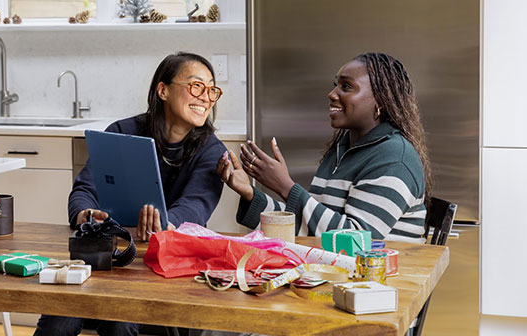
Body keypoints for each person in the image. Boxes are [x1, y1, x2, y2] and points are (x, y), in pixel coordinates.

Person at [35, 52, 227, 336]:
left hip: (168, 266)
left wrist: (165, 224)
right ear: (163, 90)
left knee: (120, 321)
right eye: (196, 86)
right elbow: (85, 189)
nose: (206, 98)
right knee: (59, 318)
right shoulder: (122, 132)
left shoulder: (212, 150)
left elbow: (196, 207)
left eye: (212, 90)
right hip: (109, 258)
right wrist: (85, 214)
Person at [219, 52, 430, 242]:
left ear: (380, 101)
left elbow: (357, 241)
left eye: (346, 86)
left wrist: (285, 187)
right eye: (335, 85)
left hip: (381, 281)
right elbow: (315, 226)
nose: (332, 94)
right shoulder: (342, 149)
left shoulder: (394, 157)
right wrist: (250, 194)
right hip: (342, 274)